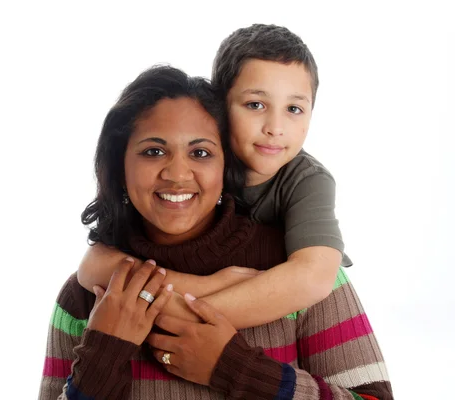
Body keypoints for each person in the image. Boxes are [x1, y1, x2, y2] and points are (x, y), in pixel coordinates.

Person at [38, 66, 393, 399]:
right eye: (154, 151)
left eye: (201, 152)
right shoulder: (86, 296)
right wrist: (103, 353)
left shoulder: (299, 273)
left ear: (228, 164)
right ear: (119, 169)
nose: (178, 174)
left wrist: (236, 369)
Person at [77, 23, 353, 329]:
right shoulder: (197, 165)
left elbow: (312, 279)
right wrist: (208, 284)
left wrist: (180, 313)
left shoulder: (308, 180)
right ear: (218, 107)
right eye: (255, 105)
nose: (275, 127)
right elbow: (93, 268)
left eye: (294, 108)